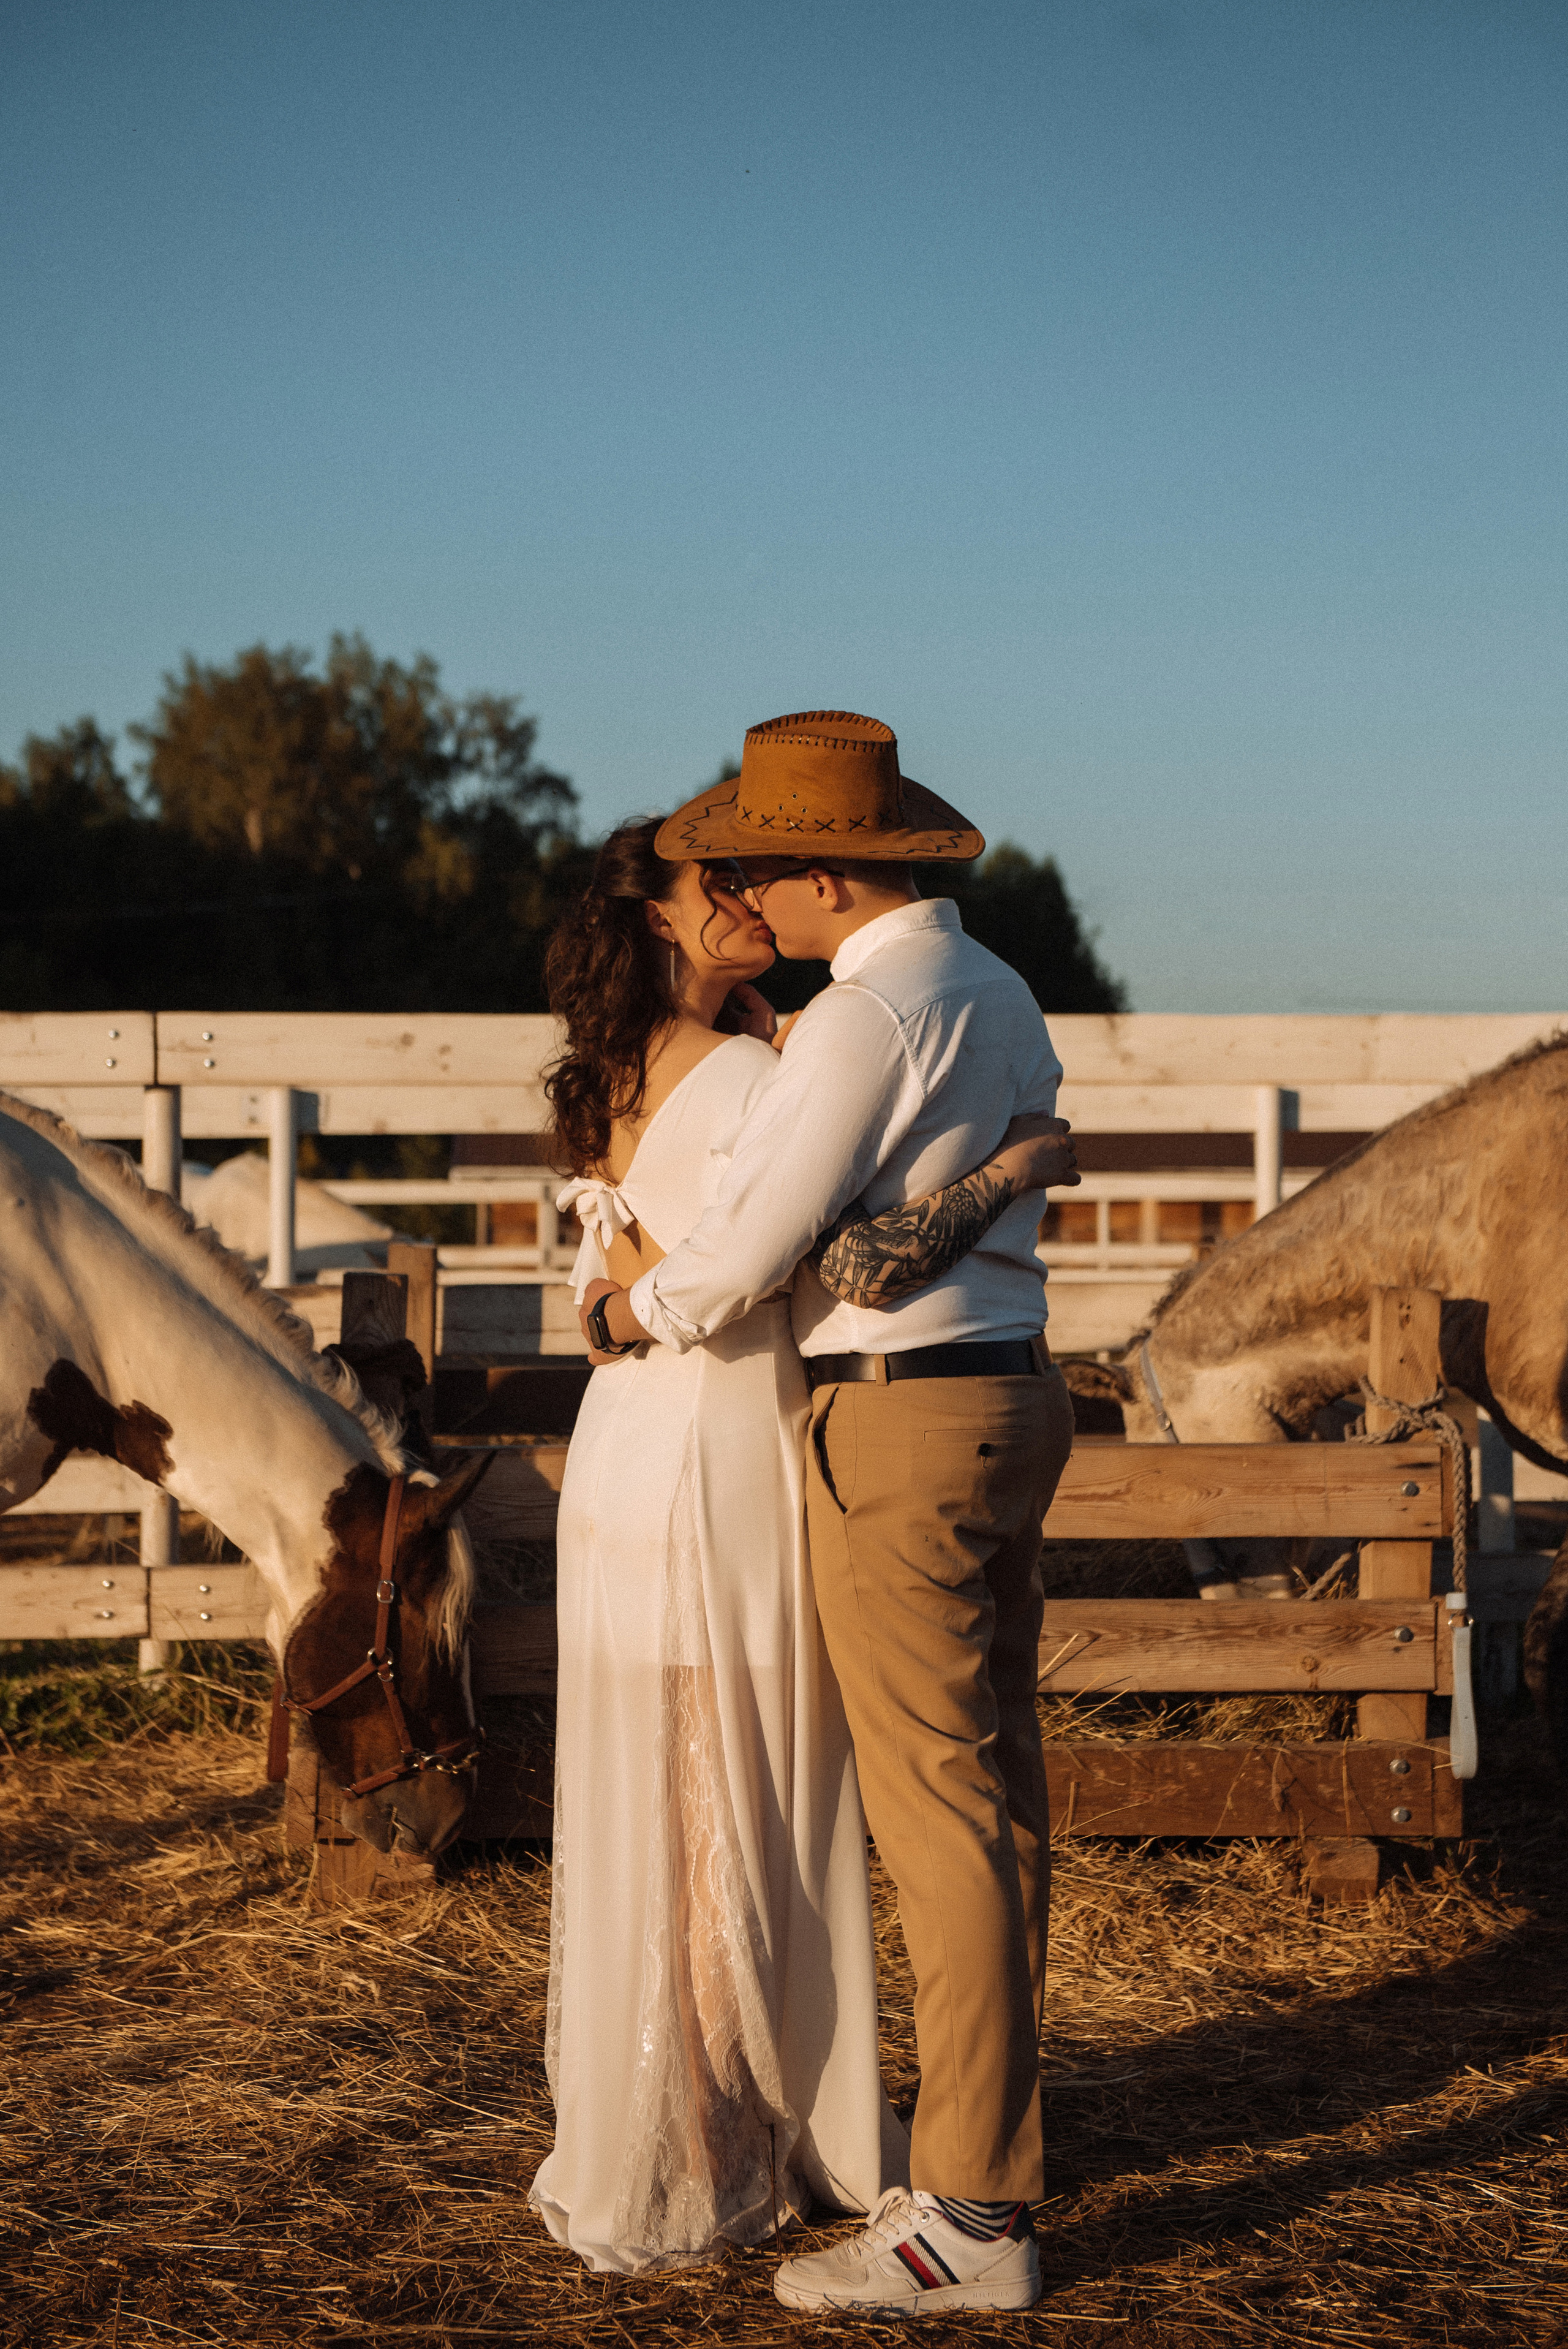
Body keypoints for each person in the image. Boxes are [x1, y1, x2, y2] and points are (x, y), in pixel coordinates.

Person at [530, 815, 1077, 2275]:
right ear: (657, 917)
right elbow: (776, 1266)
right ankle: (800, 2134)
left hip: (633, 1441)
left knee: (680, 1777)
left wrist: (622, 1307)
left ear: (825, 874)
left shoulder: (621, 1078)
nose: (746, 900)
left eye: (754, 872)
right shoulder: (868, 1032)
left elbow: (618, 1275)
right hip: (738, 1438)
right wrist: (1019, 1163)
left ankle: (688, 2115)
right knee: (772, 1780)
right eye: (716, 885)